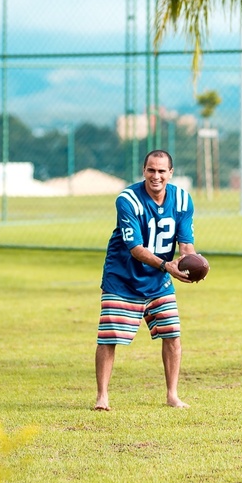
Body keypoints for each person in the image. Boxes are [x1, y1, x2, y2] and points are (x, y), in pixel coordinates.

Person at [95, 150, 196, 410]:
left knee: (172, 334)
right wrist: (167, 266)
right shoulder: (127, 199)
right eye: (151, 170)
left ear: (171, 173)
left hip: (159, 279)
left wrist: (191, 263)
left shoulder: (182, 200)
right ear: (143, 171)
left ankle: (172, 395)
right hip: (123, 277)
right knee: (109, 336)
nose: (156, 176)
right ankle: (102, 397)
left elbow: (186, 245)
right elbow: (135, 248)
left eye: (162, 171)